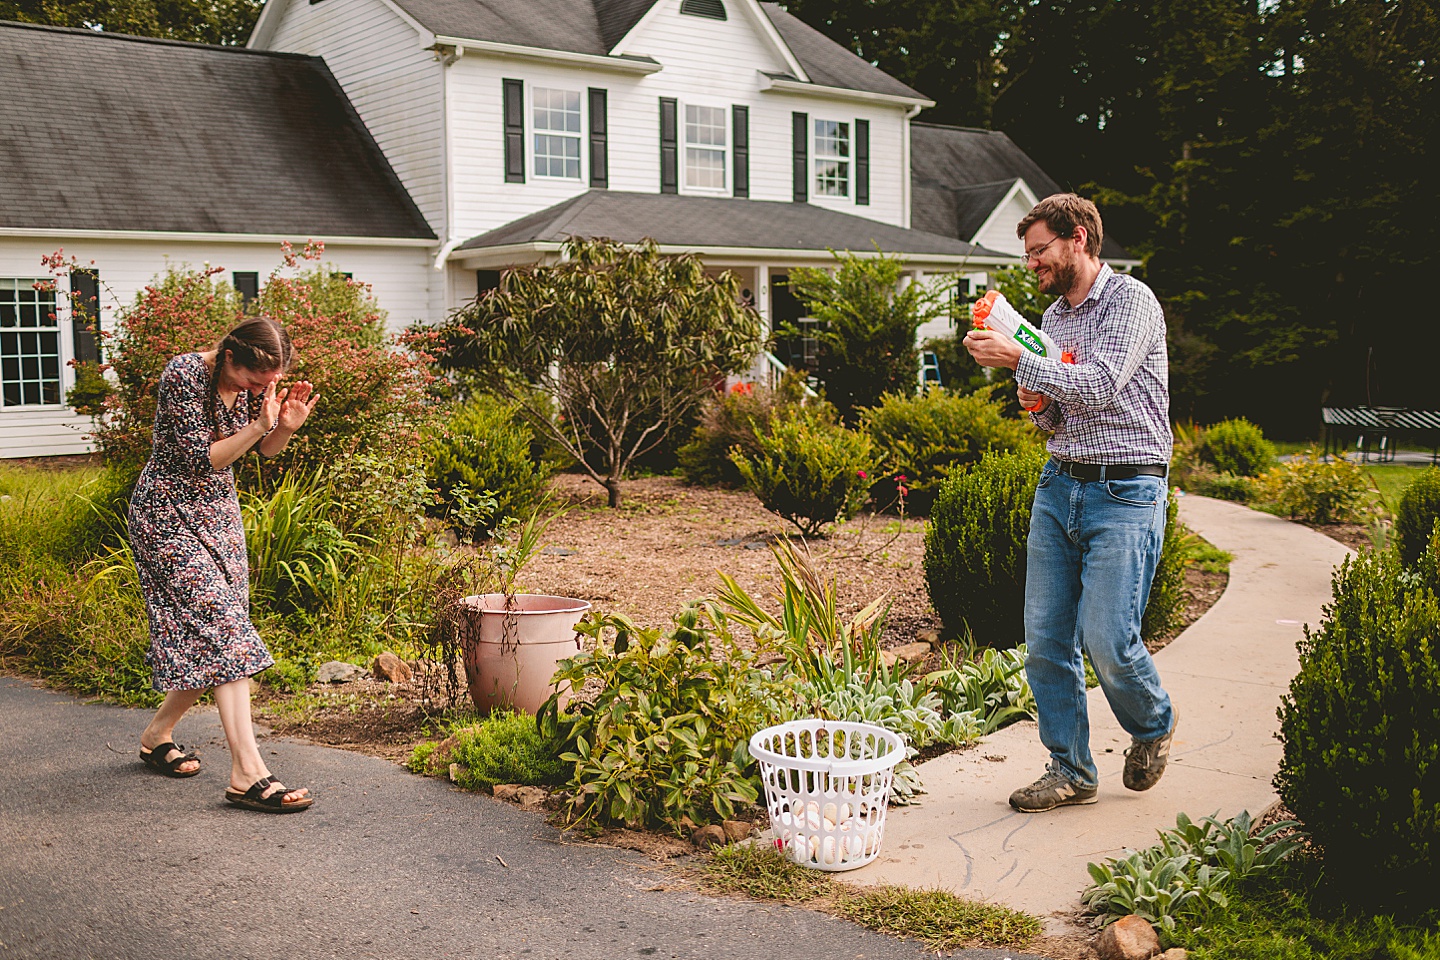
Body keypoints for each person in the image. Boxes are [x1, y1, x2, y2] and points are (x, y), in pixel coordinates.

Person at [963, 194, 1178, 813]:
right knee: (1045, 640)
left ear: (1077, 238)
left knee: (1108, 637)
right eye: (1028, 255)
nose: (1032, 265)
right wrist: (1032, 396)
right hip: (1061, 485)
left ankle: (1154, 721)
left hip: (1127, 490)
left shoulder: (1132, 302)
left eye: (1039, 251)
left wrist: (1022, 359)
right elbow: (1059, 416)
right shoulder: (1052, 321)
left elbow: (1104, 386)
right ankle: (1071, 769)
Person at [131, 316, 320, 814]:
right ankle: (248, 773)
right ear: (231, 355)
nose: (263, 389)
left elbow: (262, 450)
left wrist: (284, 428)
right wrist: (261, 423)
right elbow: (203, 461)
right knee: (225, 631)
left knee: (215, 635)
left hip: (217, 517)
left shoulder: (259, 384)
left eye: (271, 383)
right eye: (256, 381)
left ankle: (157, 735)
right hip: (166, 514)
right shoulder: (184, 375)